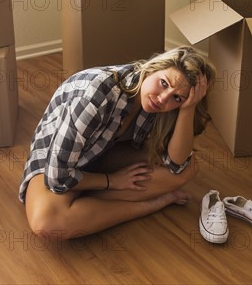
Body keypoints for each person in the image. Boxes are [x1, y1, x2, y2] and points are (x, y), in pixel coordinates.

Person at [18, 46, 215, 240]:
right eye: (163, 83)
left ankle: (84, 204)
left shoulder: (165, 105)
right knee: (47, 222)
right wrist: (112, 181)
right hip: (59, 161)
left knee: (186, 169)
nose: (162, 99)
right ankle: (148, 205)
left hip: (105, 151)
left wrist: (188, 108)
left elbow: (177, 162)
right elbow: (57, 177)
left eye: (176, 97)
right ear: (153, 68)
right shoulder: (97, 93)